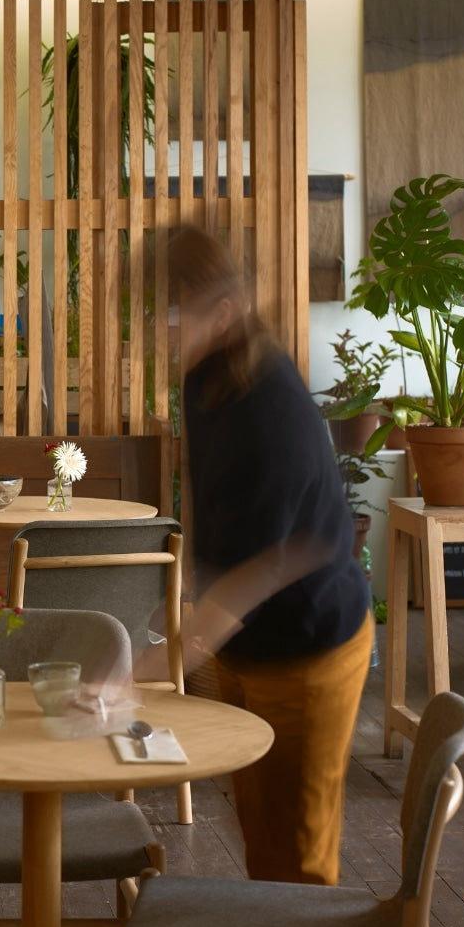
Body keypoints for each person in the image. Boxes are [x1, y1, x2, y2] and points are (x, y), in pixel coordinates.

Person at [166, 224, 373, 886]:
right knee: (260, 836)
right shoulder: (203, 378)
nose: (157, 330)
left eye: (173, 314)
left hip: (309, 646)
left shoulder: (269, 412)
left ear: (222, 313)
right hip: (245, 642)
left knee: (302, 859)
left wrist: (160, 657)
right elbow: (215, 526)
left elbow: (264, 566)